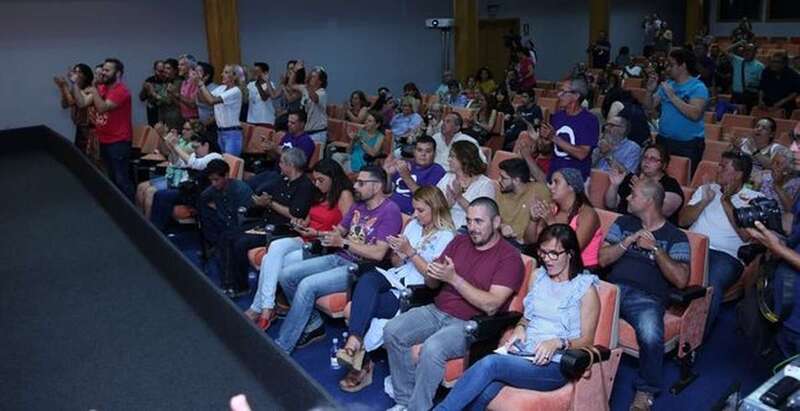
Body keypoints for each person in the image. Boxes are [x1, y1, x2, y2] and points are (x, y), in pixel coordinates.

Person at [434, 224, 600, 411]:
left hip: (555, 363)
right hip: (525, 353)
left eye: (554, 254)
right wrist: (521, 327)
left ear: (570, 254)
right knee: (484, 391)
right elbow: (527, 318)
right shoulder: (538, 277)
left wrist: (558, 343)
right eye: (543, 253)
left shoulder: (585, 290)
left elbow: (587, 340)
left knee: (491, 363)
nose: (547, 260)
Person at [383, 197, 525, 411]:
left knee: (432, 348)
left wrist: (453, 279)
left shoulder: (510, 258)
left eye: (479, 222)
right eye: (469, 221)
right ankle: (405, 401)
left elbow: (492, 305)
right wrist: (433, 274)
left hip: (470, 324)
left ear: (496, 222)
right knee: (392, 330)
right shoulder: (459, 242)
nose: (472, 227)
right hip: (438, 309)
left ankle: (417, 408)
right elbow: (432, 283)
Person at [336, 186, 456, 392]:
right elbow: (396, 263)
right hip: (397, 276)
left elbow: (432, 278)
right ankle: (355, 339)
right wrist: (397, 252)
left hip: (417, 290)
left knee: (368, 304)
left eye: (420, 211)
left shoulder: (447, 237)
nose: (415, 215)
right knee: (367, 279)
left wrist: (410, 252)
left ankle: (359, 354)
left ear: (435, 209)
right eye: (414, 210)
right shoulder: (414, 226)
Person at [275, 166, 403, 352]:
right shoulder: (358, 205)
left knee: (306, 285)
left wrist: (343, 243)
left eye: (361, 183)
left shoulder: (390, 211)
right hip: (339, 257)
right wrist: (318, 233)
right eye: (356, 181)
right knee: (286, 275)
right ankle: (312, 323)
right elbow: (339, 232)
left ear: (376, 186)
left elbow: (379, 253)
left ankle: (282, 347)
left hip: (360, 269)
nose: (355, 186)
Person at [598, 179, 691, 411]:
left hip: (646, 298)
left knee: (650, 333)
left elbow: (681, 279)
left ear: (649, 201)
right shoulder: (623, 223)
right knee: (575, 308)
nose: (627, 198)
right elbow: (602, 259)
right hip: (613, 288)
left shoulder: (675, 236)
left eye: (634, 195)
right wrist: (626, 242)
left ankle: (646, 390)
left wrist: (656, 249)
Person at [244, 159, 354, 329]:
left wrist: (317, 233)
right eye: (315, 180)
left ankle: (261, 308)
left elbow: (346, 231)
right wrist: (301, 224)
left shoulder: (344, 195)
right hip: (305, 237)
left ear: (333, 177)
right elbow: (309, 219)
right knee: (275, 247)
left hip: (322, 245)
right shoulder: (320, 193)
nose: (317, 184)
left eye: (321, 180)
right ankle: (266, 307)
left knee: (269, 261)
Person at [679, 151, 762, 333]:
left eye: (724, 166)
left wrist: (725, 200)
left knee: (712, 283)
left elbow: (746, 236)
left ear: (738, 174)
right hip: (691, 246)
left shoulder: (754, 199)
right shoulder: (707, 189)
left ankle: (694, 339)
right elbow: (682, 221)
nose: (718, 168)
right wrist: (704, 201)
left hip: (726, 256)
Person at [219, 148, 318, 297]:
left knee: (241, 242)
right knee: (227, 235)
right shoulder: (282, 180)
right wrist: (262, 202)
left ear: (290, 165)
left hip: (281, 229)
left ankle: (240, 286)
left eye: (282, 162)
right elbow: (268, 197)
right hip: (265, 221)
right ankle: (227, 282)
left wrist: (270, 204)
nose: (279, 165)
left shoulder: (305, 186)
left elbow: (295, 213)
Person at [644, 48, 709, 175]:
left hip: (688, 145)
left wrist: (673, 97)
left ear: (682, 65)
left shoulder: (698, 87)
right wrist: (649, 91)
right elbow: (648, 107)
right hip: (664, 140)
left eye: (671, 64)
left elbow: (695, 114)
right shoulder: (668, 84)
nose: (667, 68)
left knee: (682, 180)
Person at [148, 131, 224, 230]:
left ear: (206, 145)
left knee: (163, 196)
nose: (195, 150)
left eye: (196, 147)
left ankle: (158, 230)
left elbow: (196, 164)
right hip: (191, 191)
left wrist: (176, 146)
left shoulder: (215, 156)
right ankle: (156, 229)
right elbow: (178, 164)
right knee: (159, 194)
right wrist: (172, 149)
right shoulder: (195, 155)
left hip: (204, 194)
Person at [531, 168, 603, 268]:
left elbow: (574, 249)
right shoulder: (553, 209)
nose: (550, 186)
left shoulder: (588, 214)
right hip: (551, 262)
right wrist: (533, 220)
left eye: (556, 182)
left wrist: (551, 221)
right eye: (551, 182)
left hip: (582, 269)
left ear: (571, 186)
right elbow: (531, 241)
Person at [86, 58, 134, 200]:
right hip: (105, 140)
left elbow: (102, 107)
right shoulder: (102, 88)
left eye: (107, 70)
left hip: (119, 141)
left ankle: (134, 213)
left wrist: (94, 90)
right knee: (112, 179)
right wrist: (74, 85)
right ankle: (120, 209)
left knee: (122, 180)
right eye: (103, 69)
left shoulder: (121, 91)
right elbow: (82, 102)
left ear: (118, 73)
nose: (103, 73)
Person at [136, 120, 203, 218]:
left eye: (187, 129)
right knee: (141, 187)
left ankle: (149, 227)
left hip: (179, 180)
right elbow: (165, 152)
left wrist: (166, 137)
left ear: (195, 131)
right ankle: (140, 220)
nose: (183, 131)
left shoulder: (194, 145)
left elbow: (178, 153)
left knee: (150, 192)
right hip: (170, 176)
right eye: (183, 128)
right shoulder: (181, 140)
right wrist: (161, 136)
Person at [606, 142, 685, 224]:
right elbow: (610, 204)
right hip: (623, 224)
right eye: (645, 157)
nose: (647, 161)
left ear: (664, 165)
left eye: (653, 159)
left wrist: (641, 189)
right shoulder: (631, 179)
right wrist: (614, 186)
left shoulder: (670, 184)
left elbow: (663, 211)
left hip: (651, 230)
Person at [539, 78, 599, 179]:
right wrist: (544, 141)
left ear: (576, 96)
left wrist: (553, 137)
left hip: (574, 181)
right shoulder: (557, 116)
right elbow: (548, 149)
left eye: (563, 92)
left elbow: (582, 154)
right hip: (553, 176)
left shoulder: (590, 120)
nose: (559, 95)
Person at [437, 141, 495, 228]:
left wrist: (459, 197)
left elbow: (482, 216)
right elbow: (433, 205)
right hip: (443, 225)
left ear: (464, 160)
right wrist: (447, 205)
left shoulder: (485, 184)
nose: (448, 159)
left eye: (452, 156)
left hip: (469, 230)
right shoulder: (447, 177)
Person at [385, 136, 446, 214]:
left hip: (409, 214)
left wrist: (406, 176)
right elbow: (387, 190)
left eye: (428, 151)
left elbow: (426, 199)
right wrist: (388, 174)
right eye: (419, 150)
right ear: (414, 152)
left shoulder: (437, 170)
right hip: (388, 207)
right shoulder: (405, 164)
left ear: (434, 154)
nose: (423, 154)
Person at [497, 158, 551, 247]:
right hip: (503, 242)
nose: (499, 180)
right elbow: (493, 219)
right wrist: (501, 226)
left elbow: (544, 222)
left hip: (528, 245)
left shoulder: (539, 190)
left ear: (516, 180)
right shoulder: (501, 194)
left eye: (503, 178)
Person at [196, 64, 245, 156]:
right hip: (220, 132)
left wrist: (201, 85)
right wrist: (199, 85)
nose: (222, 74)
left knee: (230, 162)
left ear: (234, 76)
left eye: (226, 72)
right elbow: (203, 100)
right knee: (224, 163)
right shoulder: (221, 88)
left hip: (232, 133)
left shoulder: (235, 90)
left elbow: (211, 100)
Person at [54, 63, 95, 157]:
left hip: (90, 131)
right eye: (74, 71)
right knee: (80, 157)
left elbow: (80, 104)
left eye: (79, 72)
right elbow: (65, 104)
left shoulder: (91, 89)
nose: (75, 74)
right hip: (80, 128)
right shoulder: (76, 89)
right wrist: (62, 87)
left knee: (90, 159)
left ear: (86, 76)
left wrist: (66, 85)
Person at [751, 146, 800, 214]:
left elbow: (791, 210)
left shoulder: (796, 183)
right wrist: (756, 185)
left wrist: (777, 185)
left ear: (788, 170)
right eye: (772, 162)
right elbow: (750, 199)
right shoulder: (764, 176)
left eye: (778, 164)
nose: (773, 166)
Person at [291, 61, 328, 145]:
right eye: (311, 76)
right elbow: (291, 85)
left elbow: (314, 98)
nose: (311, 78)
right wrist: (294, 71)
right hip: (307, 132)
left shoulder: (322, 93)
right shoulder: (306, 89)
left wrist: (307, 83)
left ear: (320, 81)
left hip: (318, 133)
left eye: (314, 77)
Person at [725, 41, 764, 112]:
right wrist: (738, 43)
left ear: (755, 52)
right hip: (736, 96)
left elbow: (762, 85)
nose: (746, 52)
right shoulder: (737, 61)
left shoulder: (759, 66)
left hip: (750, 97)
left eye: (749, 50)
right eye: (745, 50)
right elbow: (725, 51)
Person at [246, 62, 277, 127]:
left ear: (265, 73)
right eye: (254, 71)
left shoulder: (269, 84)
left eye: (257, 71)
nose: (255, 73)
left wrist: (258, 84)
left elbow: (264, 98)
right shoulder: (250, 85)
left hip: (265, 120)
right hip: (252, 120)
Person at [173, 54, 199, 122]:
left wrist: (177, 95)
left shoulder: (195, 81)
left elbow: (193, 105)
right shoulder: (184, 82)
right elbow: (182, 105)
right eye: (179, 65)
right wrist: (172, 94)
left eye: (182, 65)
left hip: (195, 119)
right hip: (185, 118)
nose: (178, 67)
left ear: (190, 66)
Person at [139, 60, 164, 126]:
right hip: (153, 113)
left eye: (163, 71)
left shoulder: (168, 80)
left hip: (165, 113)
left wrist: (153, 92)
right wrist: (145, 89)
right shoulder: (150, 80)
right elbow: (142, 98)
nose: (162, 74)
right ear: (155, 70)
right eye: (159, 71)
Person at [194, 62, 218, 129]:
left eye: (198, 72)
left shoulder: (215, 89)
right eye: (195, 71)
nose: (195, 74)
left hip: (213, 125)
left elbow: (219, 109)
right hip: (202, 126)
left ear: (207, 76)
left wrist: (210, 122)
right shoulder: (198, 87)